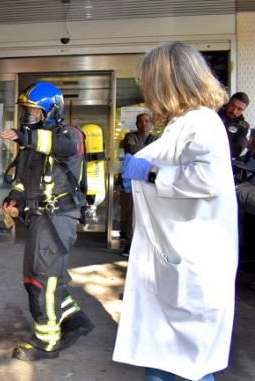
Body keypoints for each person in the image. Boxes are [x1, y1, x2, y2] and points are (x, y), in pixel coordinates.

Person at [112, 41, 238, 381]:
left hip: (192, 267)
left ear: (167, 81)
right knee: (168, 365)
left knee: (183, 370)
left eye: (148, 81)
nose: (145, 90)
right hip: (175, 261)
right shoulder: (182, 123)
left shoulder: (202, 122)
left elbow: (207, 179)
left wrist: (150, 173)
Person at [0, 82, 94, 362]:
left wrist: (25, 136)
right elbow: (24, 178)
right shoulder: (32, 139)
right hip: (39, 217)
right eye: (26, 111)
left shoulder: (70, 135)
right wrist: (15, 195)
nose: (28, 116)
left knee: (44, 282)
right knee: (33, 279)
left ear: (51, 111)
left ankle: (46, 342)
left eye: (33, 111)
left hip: (58, 217)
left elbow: (58, 146)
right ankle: (75, 319)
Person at [119, 113, 157, 256]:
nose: (144, 124)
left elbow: (159, 155)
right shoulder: (130, 136)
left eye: (147, 121)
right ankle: (129, 244)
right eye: (140, 122)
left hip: (150, 181)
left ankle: (147, 245)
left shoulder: (156, 138)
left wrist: (143, 152)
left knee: (149, 213)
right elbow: (132, 150)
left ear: (151, 123)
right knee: (131, 214)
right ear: (136, 124)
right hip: (132, 181)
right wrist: (150, 152)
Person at [218, 91, 250, 159]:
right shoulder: (214, 114)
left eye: (239, 109)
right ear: (228, 103)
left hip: (222, 159)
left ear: (243, 110)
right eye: (233, 106)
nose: (234, 111)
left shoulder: (243, 127)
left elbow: (236, 151)